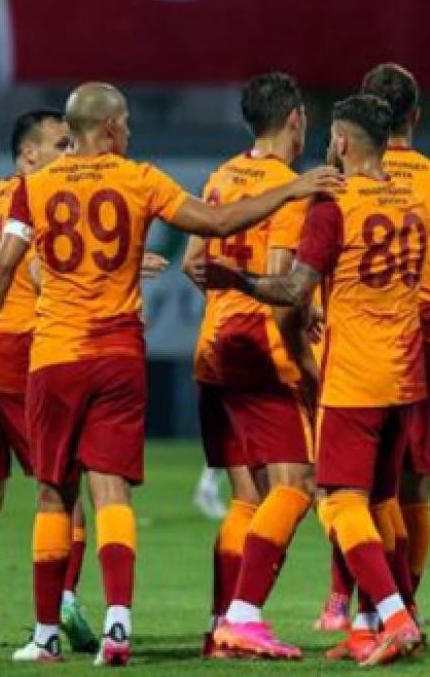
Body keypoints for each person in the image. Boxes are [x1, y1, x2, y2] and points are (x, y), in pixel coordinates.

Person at [0, 82, 340, 665]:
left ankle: (45, 637)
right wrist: (292, 188)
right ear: (111, 127)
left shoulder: (32, 188)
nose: (131, 131)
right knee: (111, 491)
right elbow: (218, 222)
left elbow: (1, 270)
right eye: (127, 123)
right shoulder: (139, 179)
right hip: (118, 356)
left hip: (56, 356)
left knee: (52, 493)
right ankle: (118, 624)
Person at [206, 93, 427, 666]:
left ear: (343, 142)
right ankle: (365, 628)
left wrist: (237, 280)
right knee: (379, 501)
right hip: (404, 376)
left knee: (341, 499)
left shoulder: (332, 205)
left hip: (353, 376)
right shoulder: (411, 203)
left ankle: (395, 617)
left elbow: (292, 289)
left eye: (332, 137)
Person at [311, 64, 430, 630]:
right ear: (415, 114)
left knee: (348, 481)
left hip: (357, 333)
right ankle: (403, 604)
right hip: (425, 336)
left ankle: (347, 602)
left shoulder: (343, 188)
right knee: (410, 484)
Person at [182, 73, 320, 660]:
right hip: (263, 355)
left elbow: (193, 262)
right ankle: (244, 616)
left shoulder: (221, 177)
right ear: (293, 119)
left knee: (246, 499)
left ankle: (221, 626)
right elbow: (285, 288)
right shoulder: (290, 189)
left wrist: (226, 300)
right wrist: (306, 351)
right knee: (298, 487)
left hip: (213, 349)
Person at [0, 110, 98, 653]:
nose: (70, 152)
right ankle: (65, 598)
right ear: (29, 153)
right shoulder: (39, 199)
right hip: (21, 354)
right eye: (61, 144)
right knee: (61, 484)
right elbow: (40, 274)